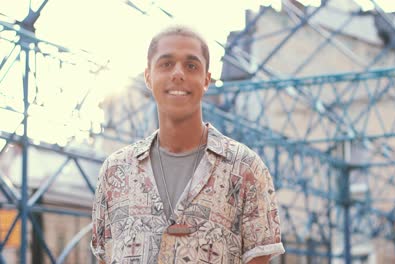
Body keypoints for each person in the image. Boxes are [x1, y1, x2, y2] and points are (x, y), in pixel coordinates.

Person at [91, 25, 284, 263]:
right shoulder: (114, 171)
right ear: (148, 77)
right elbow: (103, 257)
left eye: (191, 65)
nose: (178, 73)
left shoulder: (246, 169)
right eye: (166, 64)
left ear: (206, 79)